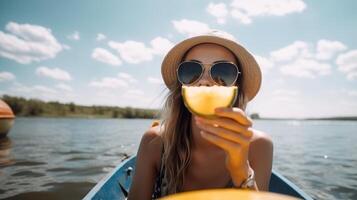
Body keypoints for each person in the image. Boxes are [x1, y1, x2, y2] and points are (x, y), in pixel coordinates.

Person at [127, 30, 273, 200]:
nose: (205, 81)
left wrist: (241, 170)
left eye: (223, 72)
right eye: (191, 71)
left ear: (237, 87)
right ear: (181, 88)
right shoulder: (154, 141)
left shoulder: (259, 146)